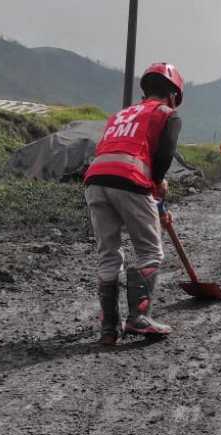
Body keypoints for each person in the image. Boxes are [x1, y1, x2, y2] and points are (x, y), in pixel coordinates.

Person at [83, 62, 184, 345]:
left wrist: (153, 195)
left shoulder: (120, 114)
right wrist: (157, 183)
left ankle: (108, 329)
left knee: (108, 253)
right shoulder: (167, 113)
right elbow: (164, 156)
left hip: (95, 179)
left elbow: (117, 148)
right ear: (174, 95)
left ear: (145, 89)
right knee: (151, 251)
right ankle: (138, 318)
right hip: (130, 179)